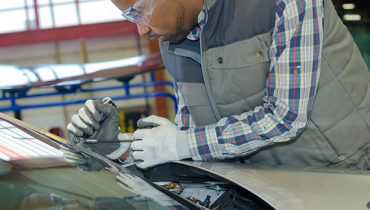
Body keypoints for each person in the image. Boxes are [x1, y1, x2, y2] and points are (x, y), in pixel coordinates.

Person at [62, 0, 370, 171]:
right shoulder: (172, 41)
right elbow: (190, 139)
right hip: (273, 187)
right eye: (130, 18)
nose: (141, 30)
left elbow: (285, 118)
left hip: (347, 176)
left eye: (139, 12)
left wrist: (183, 144)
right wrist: (122, 149)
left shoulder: (284, 2)